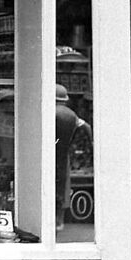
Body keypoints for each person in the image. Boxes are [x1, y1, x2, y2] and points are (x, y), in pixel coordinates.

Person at [55, 83, 92, 231]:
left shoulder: (48, 112)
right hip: (64, 152)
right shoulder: (71, 115)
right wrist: (92, 143)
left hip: (49, 152)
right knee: (62, 186)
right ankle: (59, 221)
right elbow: (87, 127)